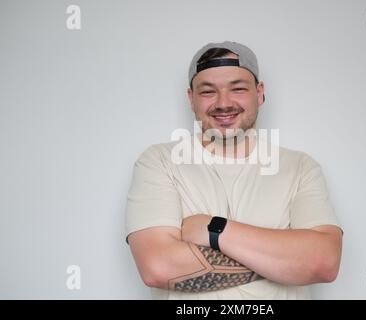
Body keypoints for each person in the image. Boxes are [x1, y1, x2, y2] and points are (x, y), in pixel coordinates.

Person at [125, 41, 343, 299]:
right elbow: (158, 268)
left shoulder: (301, 168)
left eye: (238, 89)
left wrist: (214, 229)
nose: (224, 103)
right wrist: (284, 261)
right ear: (191, 99)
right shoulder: (159, 162)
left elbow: (324, 262)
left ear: (259, 93)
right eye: (208, 92)